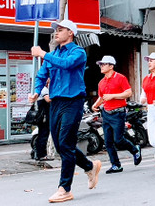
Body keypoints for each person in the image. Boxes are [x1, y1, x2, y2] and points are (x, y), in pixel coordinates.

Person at [30, 19, 101, 203]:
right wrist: (36, 91)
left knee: (65, 143)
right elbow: (41, 75)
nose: (56, 32)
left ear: (71, 33)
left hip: (73, 102)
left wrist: (43, 54)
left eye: (60, 30)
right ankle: (89, 166)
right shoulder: (54, 54)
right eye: (56, 30)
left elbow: (67, 64)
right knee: (62, 146)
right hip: (56, 103)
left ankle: (65, 188)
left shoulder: (78, 53)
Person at [91, 55, 142, 175]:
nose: (101, 66)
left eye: (104, 64)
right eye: (101, 64)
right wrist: (96, 105)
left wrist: (113, 96)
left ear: (111, 66)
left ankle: (135, 150)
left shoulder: (120, 78)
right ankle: (116, 165)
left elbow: (128, 92)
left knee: (118, 139)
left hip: (118, 113)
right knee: (108, 142)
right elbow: (102, 97)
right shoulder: (101, 82)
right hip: (106, 113)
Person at [33, 82, 52, 161]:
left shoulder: (44, 89)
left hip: (44, 116)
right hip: (44, 117)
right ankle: (41, 154)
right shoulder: (44, 90)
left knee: (42, 134)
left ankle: (37, 153)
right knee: (43, 135)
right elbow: (48, 100)